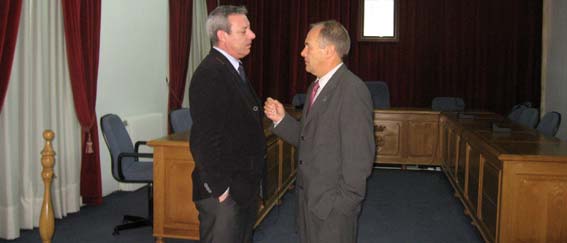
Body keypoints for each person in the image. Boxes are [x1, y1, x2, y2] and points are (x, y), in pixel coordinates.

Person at [264, 20, 375, 243]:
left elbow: (360, 159)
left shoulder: (352, 90)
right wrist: (282, 120)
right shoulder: (316, 87)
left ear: (329, 50)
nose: (302, 52)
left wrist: (340, 208)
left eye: (308, 46)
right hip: (309, 202)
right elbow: (309, 139)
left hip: (332, 211)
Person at [189, 5, 264, 243]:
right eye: (244, 30)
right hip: (224, 194)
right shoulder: (210, 73)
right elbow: (204, 141)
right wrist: (221, 191)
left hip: (241, 188)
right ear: (222, 36)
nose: (252, 35)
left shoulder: (232, 68)